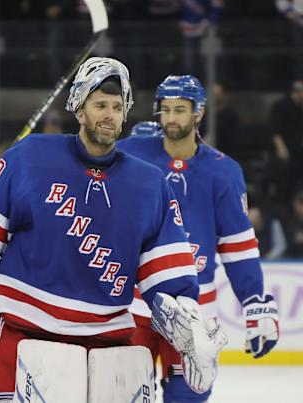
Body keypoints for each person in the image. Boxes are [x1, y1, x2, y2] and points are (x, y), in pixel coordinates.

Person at [0, 57, 229, 402]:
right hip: (27, 337)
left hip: (109, 346)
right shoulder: (28, 158)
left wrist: (188, 324)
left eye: (116, 106)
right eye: (99, 105)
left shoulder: (149, 184)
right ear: (79, 111)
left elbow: (167, 278)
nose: (109, 114)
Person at [118, 75, 279, 402]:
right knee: (123, 397)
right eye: (165, 110)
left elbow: (238, 246)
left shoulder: (223, 171)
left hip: (195, 311)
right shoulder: (129, 155)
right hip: (133, 305)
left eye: (180, 109)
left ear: (199, 112)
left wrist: (254, 300)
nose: (171, 118)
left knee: (188, 397)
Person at [283, 187, 303, 258]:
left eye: (297, 204)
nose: (294, 206)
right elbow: (291, 241)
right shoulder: (290, 221)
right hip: (292, 257)